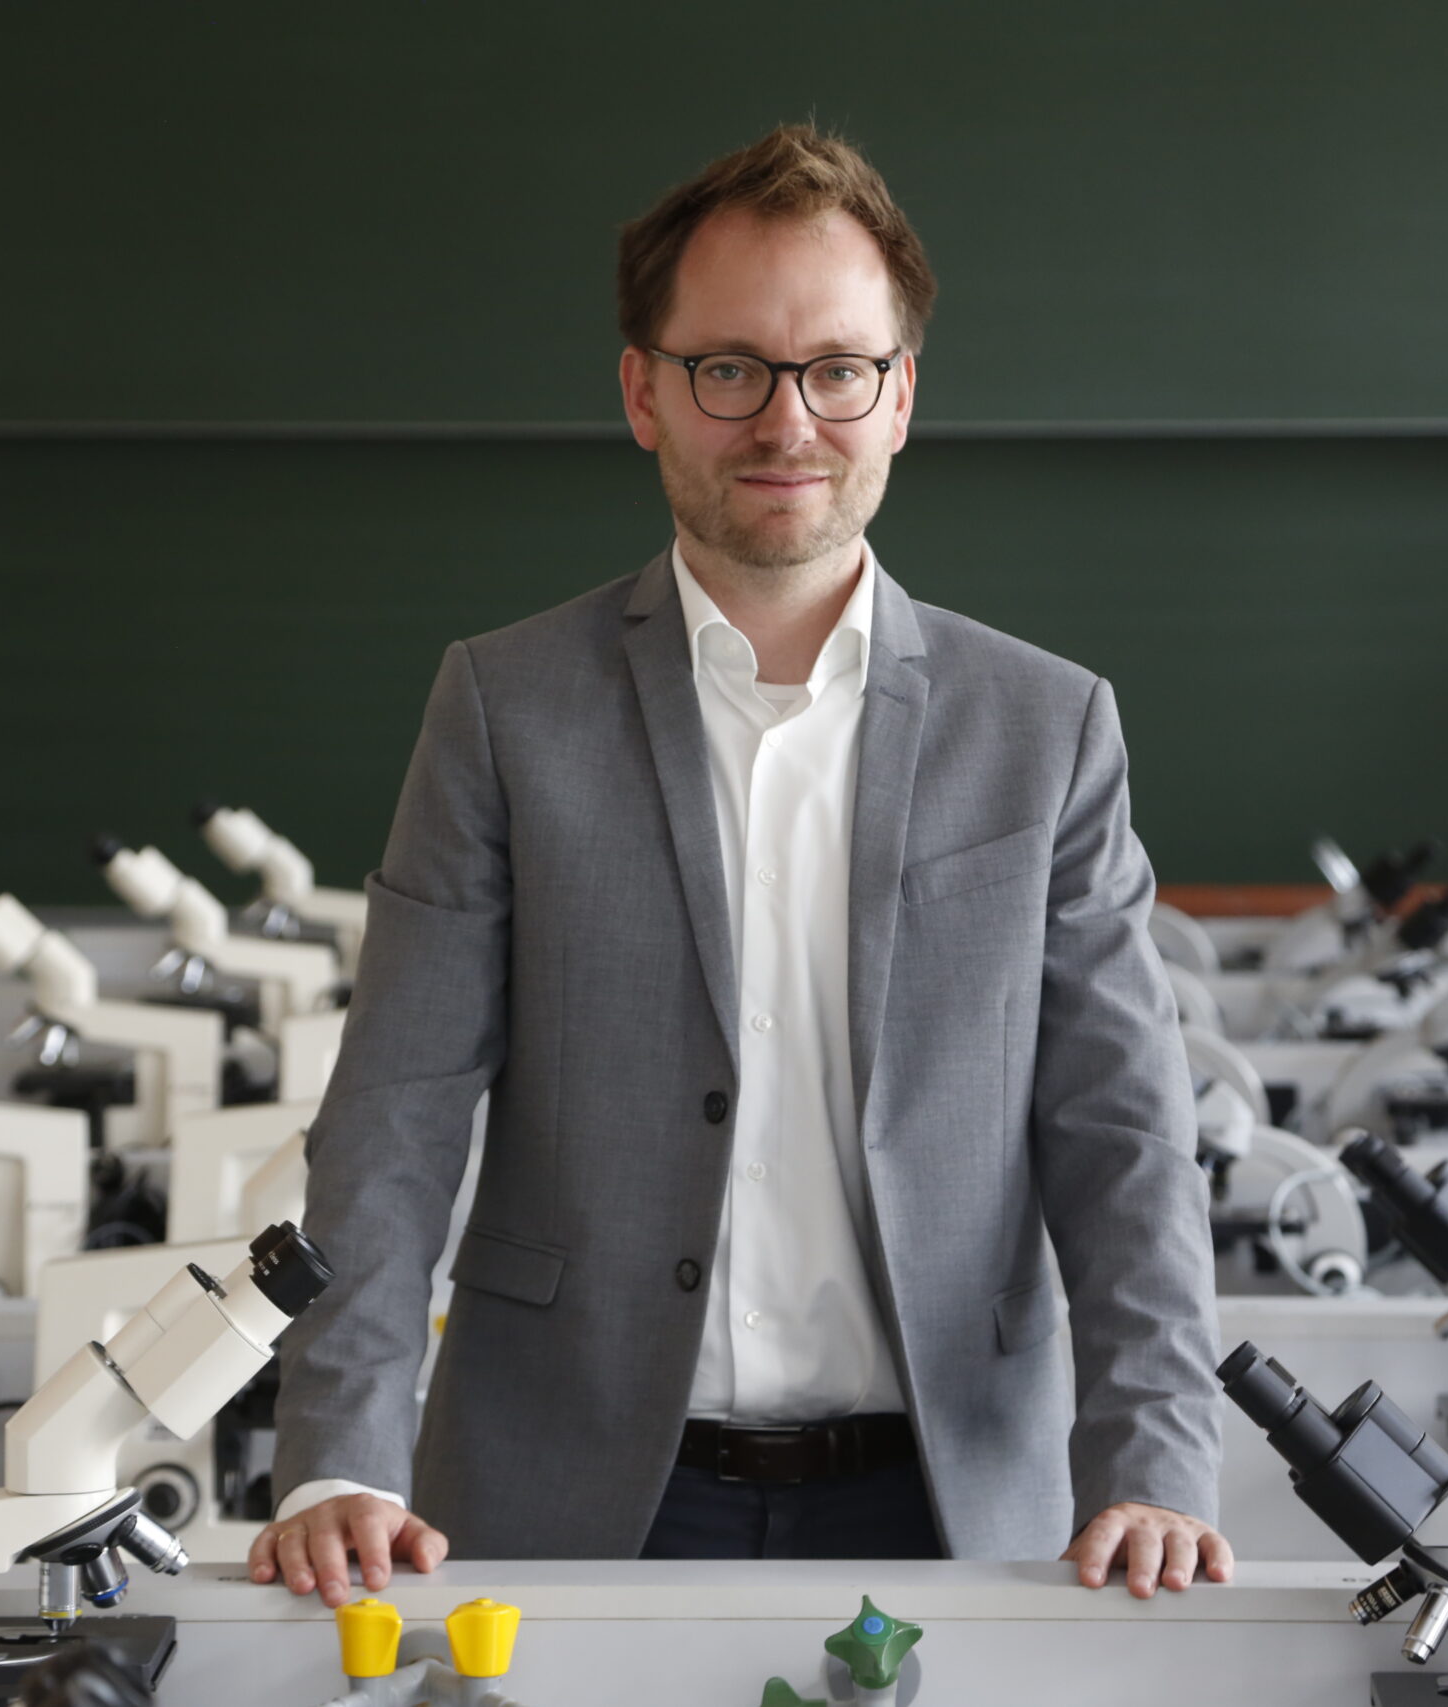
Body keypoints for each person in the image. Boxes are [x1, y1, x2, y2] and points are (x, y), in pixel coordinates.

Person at [250, 123, 1229, 1608]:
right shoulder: (505, 705)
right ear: (643, 393)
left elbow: (1125, 1133)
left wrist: (1154, 1456)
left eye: (838, 369)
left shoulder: (1046, 727)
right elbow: (396, 1110)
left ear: (901, 397)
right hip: (568, 1497)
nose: (788, 421)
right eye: (729, 369)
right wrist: (339, 1457)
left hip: (957, 1502)